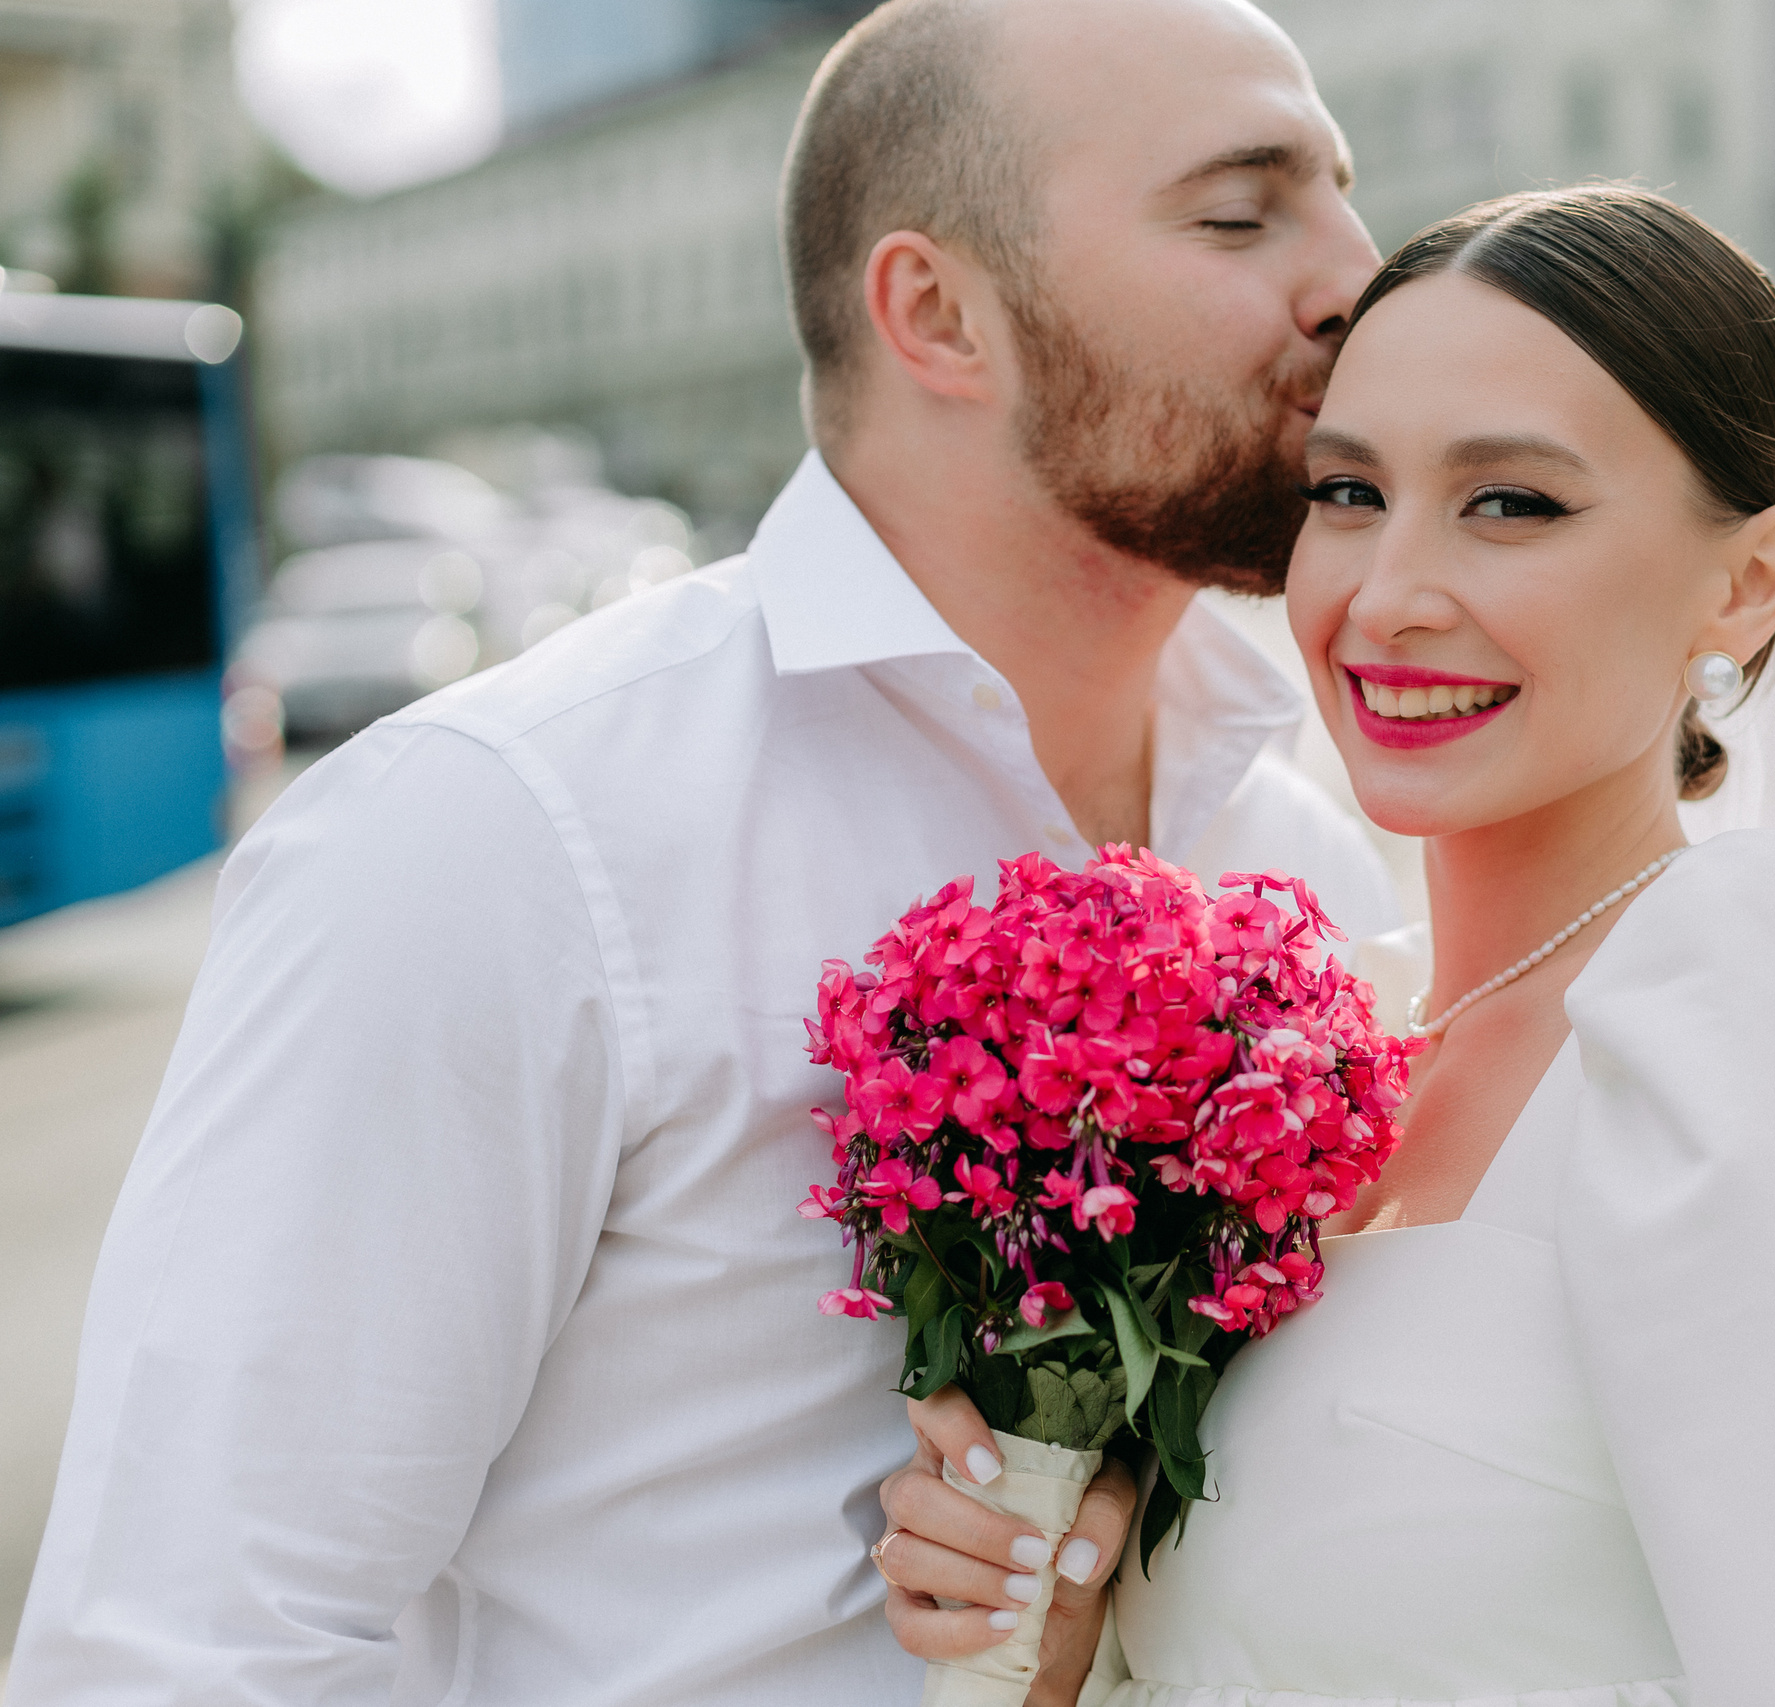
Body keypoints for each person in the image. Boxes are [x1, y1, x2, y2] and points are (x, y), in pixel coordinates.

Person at [6, 1, 1390, 1701]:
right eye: (1241, 215)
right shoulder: (500, 832)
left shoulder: (1324, 865)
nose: (1358, 279)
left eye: (1343, 196)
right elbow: (192, 1647)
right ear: (939, 315)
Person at [896, 188, 1775, 1705]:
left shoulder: (1760, 1005)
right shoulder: (1325, 1042)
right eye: (1348, 491)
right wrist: (1054, 1641)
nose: (1385, 596)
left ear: (1748, 583)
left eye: (1513, 505)